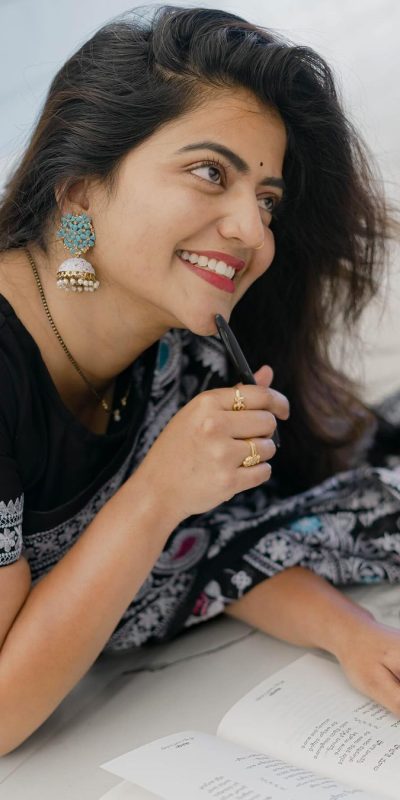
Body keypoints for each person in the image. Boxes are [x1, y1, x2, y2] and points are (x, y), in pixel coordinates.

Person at [0, 4, 399, 755]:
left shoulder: (179, 347)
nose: (253, 232)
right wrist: (157, 491)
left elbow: (200, 547)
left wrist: (355, 637)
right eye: (210, 172)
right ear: (79, 190)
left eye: (267, 200)